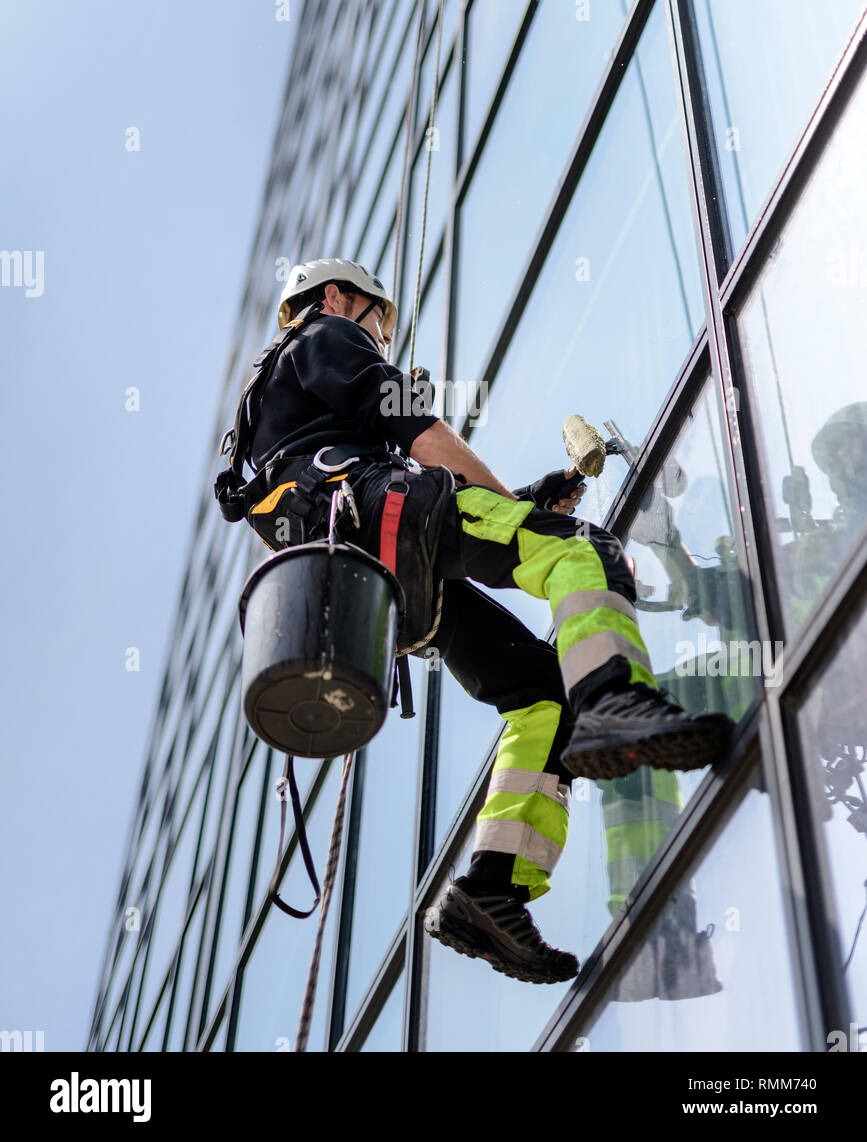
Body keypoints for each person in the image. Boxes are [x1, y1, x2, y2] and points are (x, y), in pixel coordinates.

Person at [224, 257, 734, 985]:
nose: (380, 334)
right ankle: (613, 700)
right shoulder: (325, 336)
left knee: (538, 696)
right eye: (379, 318)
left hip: (381, 588)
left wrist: (515, 500)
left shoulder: (263, 412)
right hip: (387, 513)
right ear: (335, 296)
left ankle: (491, 887)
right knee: (578, 551)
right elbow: (414, 426)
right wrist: (516, 508)